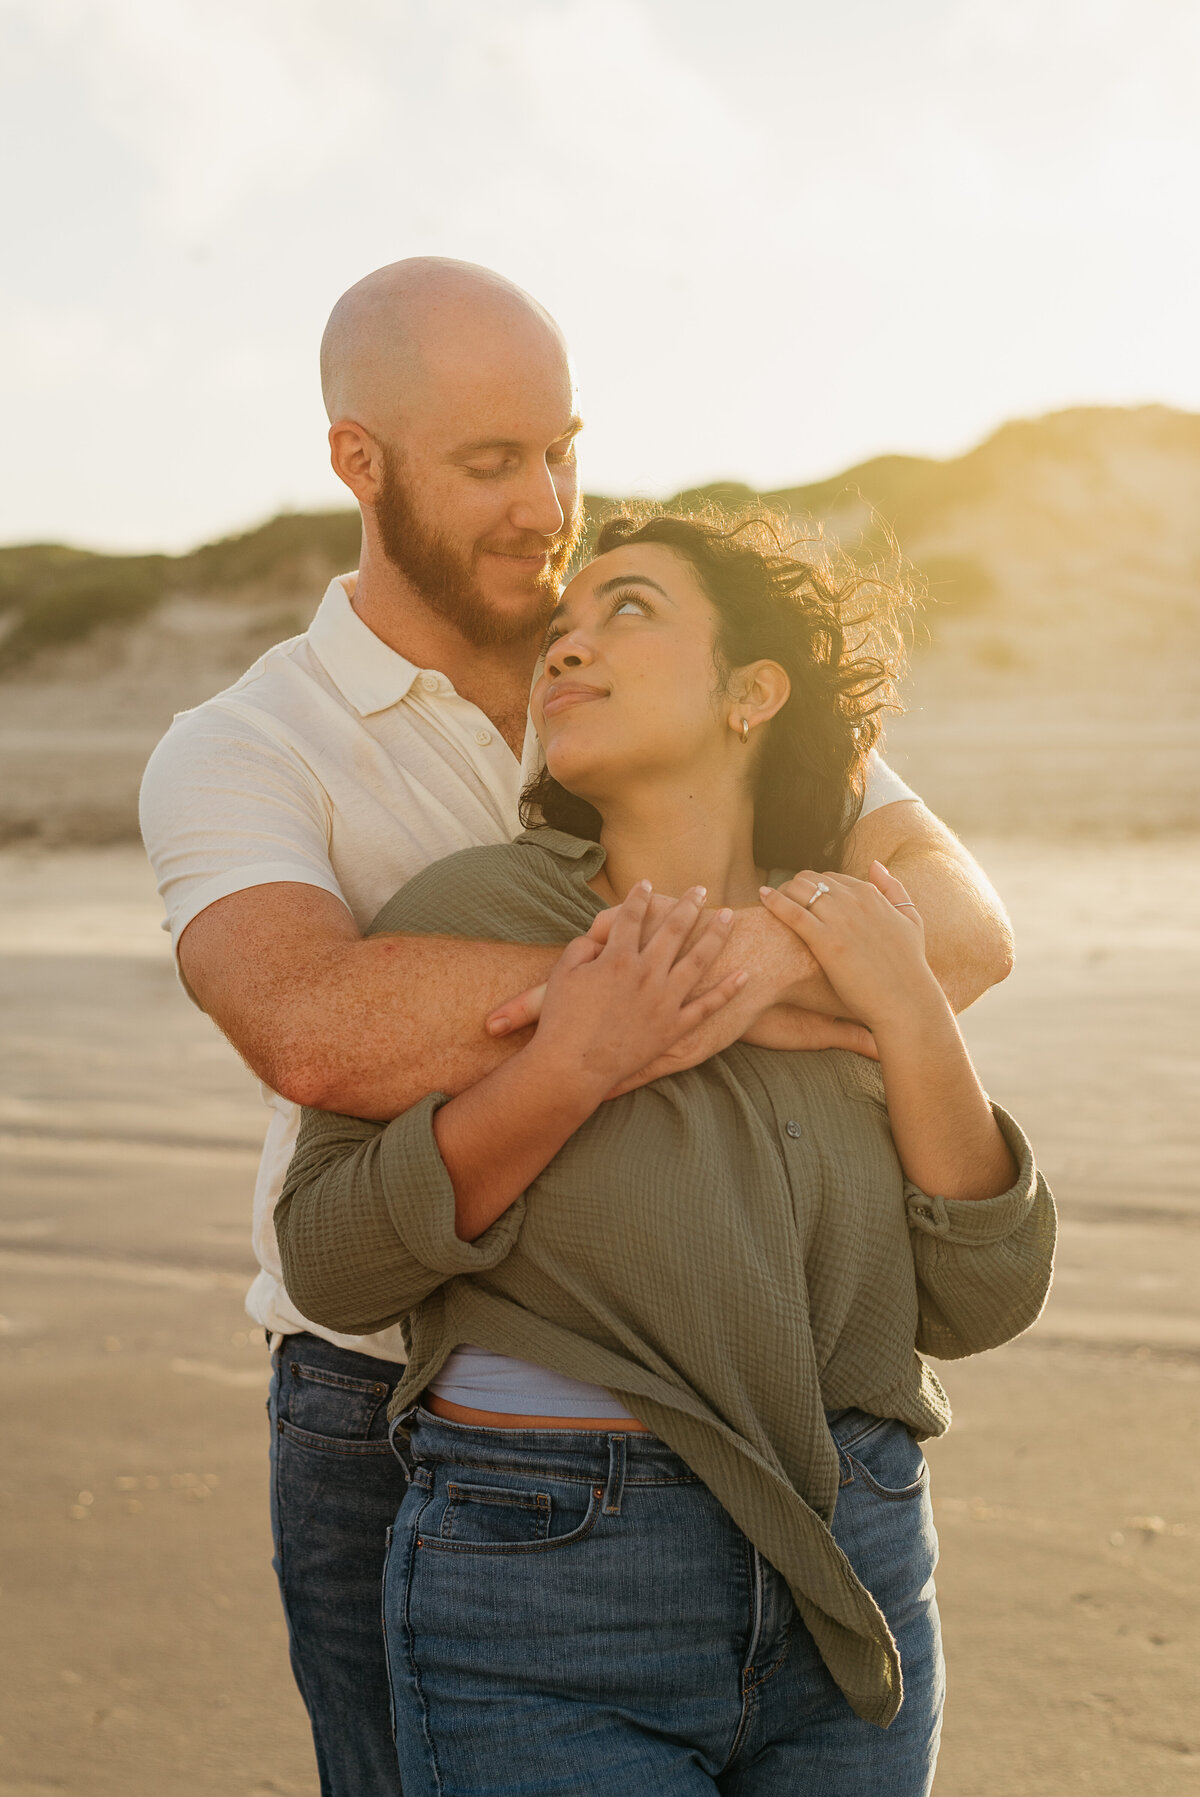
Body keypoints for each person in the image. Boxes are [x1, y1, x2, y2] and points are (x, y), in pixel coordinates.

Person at [139, 258, 1015, 1797]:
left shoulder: (655, 666)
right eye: (491, 464)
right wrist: (648, 1003)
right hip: (381, 1395)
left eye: (562, 449)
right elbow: (316, 1026)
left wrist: (731, 962)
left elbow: (959, 931)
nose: (547, 504)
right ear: (360, 460)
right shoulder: (241, 746)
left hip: (759, 1384)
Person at [275, 508, 1055, 1795]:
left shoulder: (857, 936)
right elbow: (336, 1263)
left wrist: (908, 1005)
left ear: (755, 692)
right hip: (545, 1580)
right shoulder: (470, 916)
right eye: (560, 632)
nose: (566, 651)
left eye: (625, 610)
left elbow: (982, 1295)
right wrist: (574, 1061)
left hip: (853, 1574)